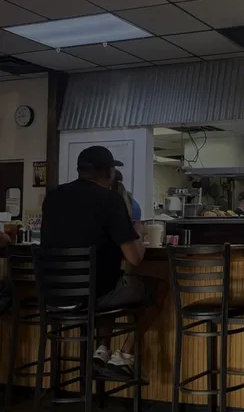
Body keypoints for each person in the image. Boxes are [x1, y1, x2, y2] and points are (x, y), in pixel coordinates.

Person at [40, 145, 167, 378]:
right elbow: (135, 257)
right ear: (109, 172)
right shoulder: (110, 200)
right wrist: (137, 232)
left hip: (52, 296)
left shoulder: (53, 197)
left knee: (109, 281)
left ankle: (102, 351)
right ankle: (124, 356)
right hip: (95, 296)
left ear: (80, 171)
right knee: (157, 288)